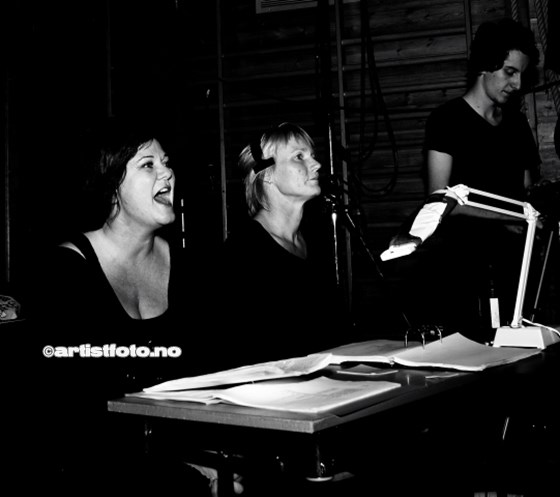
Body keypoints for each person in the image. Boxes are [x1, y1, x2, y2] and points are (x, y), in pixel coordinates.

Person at [27, 116, 211, 495]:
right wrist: (182, 470)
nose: (167, 173)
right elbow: (69, 413)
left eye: (166, 162)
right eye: (148, 165)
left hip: (186, 462)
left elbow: (207, 380)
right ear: (112, 184)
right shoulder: (66, 272)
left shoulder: (190, 268)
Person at [389, 18, 542, 339]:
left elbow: (528, 192)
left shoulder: (517, 124)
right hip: (463, 266)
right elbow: (438, 199)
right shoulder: (447, 120)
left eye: (521, 75)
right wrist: (507, 219)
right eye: (509, 72)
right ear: (485, 65)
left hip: (514, 264)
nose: (516, 84)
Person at [214, 122, 349, 371]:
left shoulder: (315, 242)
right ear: (267, 174)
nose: (316, 164)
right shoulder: (243, 254)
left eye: (312, 155)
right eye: (299, 156)